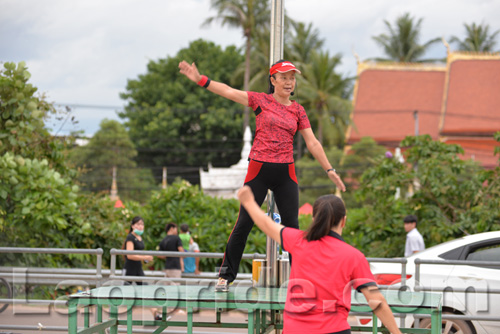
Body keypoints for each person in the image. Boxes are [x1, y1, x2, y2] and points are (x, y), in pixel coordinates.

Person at [178, 59, 346, 292]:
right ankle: (226, 276)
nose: (289, 82)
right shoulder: (261, 100)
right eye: (284, 77)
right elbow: (228, 91)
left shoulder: (298, 110)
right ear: (273, 80)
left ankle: (301, 280)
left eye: (292, 78)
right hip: (259, 169)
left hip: (285, 172)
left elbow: (313, 142)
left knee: (292, 229)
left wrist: (330, 170)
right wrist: (200, 80)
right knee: (243, 224)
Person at [237, 185, 402, 334]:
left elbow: (267, 224)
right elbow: (376, 300)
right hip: (335, 330)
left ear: (314, 219)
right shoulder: (354, 256)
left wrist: (249, 202)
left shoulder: (297, 241)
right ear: (343, 221)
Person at [122, 216, 154, 285]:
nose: (140, 226)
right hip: (130, 268)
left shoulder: (139, 237)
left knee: (144, 287)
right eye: (138, 224)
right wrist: (144, 257)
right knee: (125, 289)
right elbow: (129, 255)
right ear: (132, 226)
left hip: (138, 267)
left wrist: (147, 258)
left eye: (142, 224)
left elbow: (139, 253)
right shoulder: (130, 237)